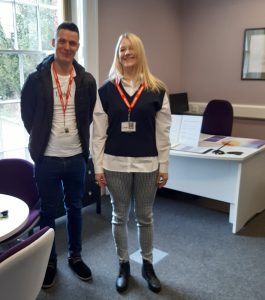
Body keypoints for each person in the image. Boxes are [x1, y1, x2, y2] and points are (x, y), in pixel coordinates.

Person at [92, 33, 171, 293]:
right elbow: (99, 133)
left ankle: (147, 265)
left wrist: (164, 165)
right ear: (118, 54)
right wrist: (98, 167)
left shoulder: (157, 89)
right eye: (121, 49)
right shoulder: (105, 90)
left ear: (140, 52)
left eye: (131, 49)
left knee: (145, 217)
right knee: (118, 215)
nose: (126, 53)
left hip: (148, 165)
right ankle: (123, 264)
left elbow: (163, 133)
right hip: (115, 165)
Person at [21, 22, 97, 289]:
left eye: (72, 43)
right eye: (62, 41)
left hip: (76, 157)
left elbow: (87, 116)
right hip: (47, 159)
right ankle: (49, 261)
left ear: (78, 46)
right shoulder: (36, 79)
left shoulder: (86, 81)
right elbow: (28, 116)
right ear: (54, 43)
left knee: (75, 207)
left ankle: (75, 256)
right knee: (48, 211)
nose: (67, 47)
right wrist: (42, 138)